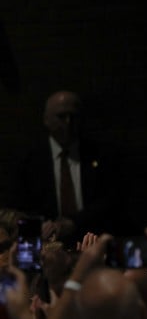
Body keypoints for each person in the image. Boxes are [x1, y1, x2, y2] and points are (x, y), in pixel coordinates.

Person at [7, 91, 123, 244]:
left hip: (94, 240)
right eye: (61, 116)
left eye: (73, 116)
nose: (68, 122)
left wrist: (74, 222)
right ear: (46, 120)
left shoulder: (101, 155)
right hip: (47, 244)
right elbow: (20, 206)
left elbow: (111, 200)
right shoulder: (30, 161)